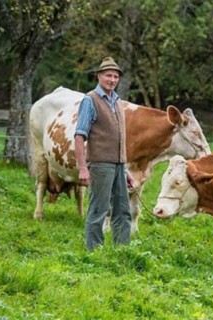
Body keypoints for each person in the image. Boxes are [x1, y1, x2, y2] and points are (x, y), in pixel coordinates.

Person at [74, 56, 134, 250]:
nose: (112, 80)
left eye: (116, 76)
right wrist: (83, 168)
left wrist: (125, 170)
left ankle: (122, 250)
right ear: (99, 76)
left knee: (123, 211)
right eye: (108, 75)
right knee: (99, 210)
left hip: (118, 165)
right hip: (99, 165)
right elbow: (79, 136)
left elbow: (119, 138)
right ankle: (94, 252)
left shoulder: (117, 101)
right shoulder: (90, 100)